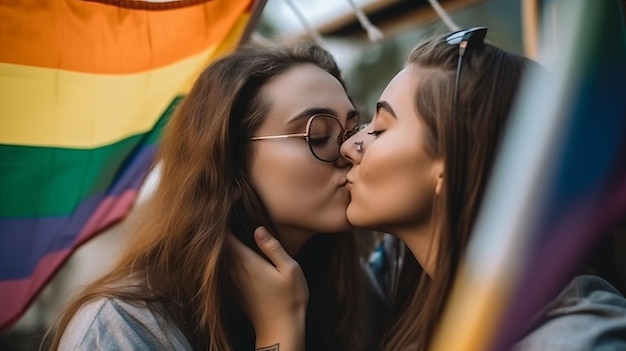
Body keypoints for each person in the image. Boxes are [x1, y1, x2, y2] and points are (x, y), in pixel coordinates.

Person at [230, 27, 626, 351]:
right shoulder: (407, 289)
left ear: (451, 162)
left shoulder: (578, 337)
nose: (350, 146)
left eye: (379, 129)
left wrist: (279, 333)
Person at [44, 41, 385, 351]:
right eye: (319, 133)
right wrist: (280, 331)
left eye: (354, 130)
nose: (351, 149)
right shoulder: (120, 328)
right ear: (230, 166)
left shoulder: (354, 296)